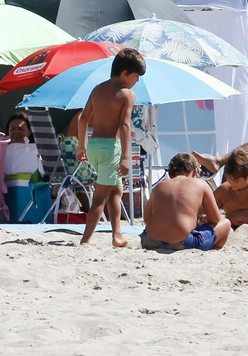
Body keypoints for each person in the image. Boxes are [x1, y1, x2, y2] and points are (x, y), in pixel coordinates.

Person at [76, 48, 146, 247]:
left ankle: (117, 233)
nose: (137, 81)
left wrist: (82, 146)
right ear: (125, 73)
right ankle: (85, 240)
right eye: (136, 76)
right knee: (99, 198)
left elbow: (83, 119)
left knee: (115, 190)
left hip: (94, 146)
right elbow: (125, 125)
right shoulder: (127, 95)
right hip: (111, 148)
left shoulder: (97, 89)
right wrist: (125, 156)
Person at [142, 152, 229, 251]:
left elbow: (147, 219)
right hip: (182, 242)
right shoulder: (201, 184)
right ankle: (214, 249)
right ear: (195, 171)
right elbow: (215, 219)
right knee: (225, 223)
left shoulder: (159, 186)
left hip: (150, 241)